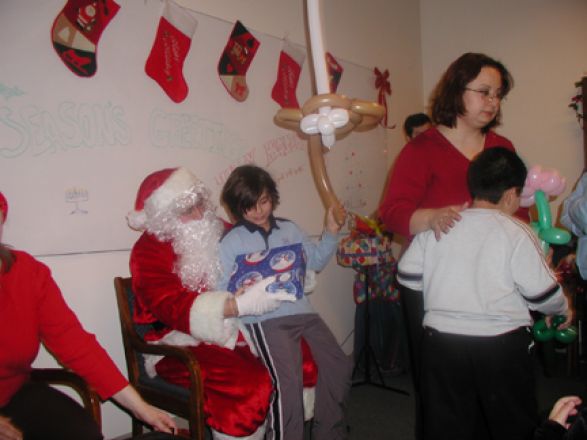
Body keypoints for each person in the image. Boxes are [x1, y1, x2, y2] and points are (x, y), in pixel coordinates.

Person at [378, 52, 525, 439]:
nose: (492, 102)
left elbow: (518, 210)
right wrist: (432, 218)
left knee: (496, 390)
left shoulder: (502, 146)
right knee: (443, 394)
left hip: (492, 285)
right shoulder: (423, 149)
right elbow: (392, 212)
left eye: (498, 94)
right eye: (484, 92)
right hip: (436, 288)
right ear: (457, 91)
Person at [396, 147, 572, 440]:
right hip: (500, 348)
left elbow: (408, 276)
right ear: (510, 195)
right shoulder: (516, 231)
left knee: (446, 426)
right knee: (511, 424)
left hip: (441, 346)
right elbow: (542, 295)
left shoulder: (442, 223)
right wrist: (563, 310)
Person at [127, 167, 308, 440]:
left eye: (200, 203)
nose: (200, 215)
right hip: (179, 341)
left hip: (237, 328)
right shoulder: (148, 251)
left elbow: (260, 258)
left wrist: (292, 273)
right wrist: (234, 306)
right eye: (187, 210)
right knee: (248, 385)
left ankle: (281, 429)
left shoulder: (221, 229)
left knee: (302, 355)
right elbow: (170, 306)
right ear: (165, 217)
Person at [0, 192, 176, 440]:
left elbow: (74, 342)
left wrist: (141, 407)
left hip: (13, 392)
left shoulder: (27, 272)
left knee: (83, 434)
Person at [218, 164, 352, 440]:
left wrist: (330, 232)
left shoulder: (289, 228)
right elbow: (219, 290)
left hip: (304, 312)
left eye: (264, 201)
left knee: (339, 363)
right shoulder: (231, 241)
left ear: (272, 198)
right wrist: (238, 296)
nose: (259, 211)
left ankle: (327, 433)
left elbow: (314, 262)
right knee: (288, 381)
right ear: (236, 207)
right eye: (249, 206)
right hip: (266, 321)